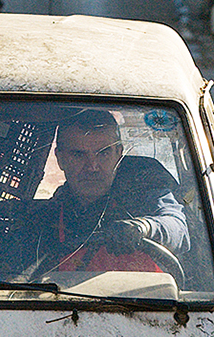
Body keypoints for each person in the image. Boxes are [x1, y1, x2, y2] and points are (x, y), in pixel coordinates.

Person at [37, 106, 194, 281]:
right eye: (78, 155)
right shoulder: (47, 218)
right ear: (60, 159)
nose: (92, 167)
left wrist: (143, 228)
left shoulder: (144, 187)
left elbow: (178, 229)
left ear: (119, 154)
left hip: (150, 297)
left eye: (103, 153)